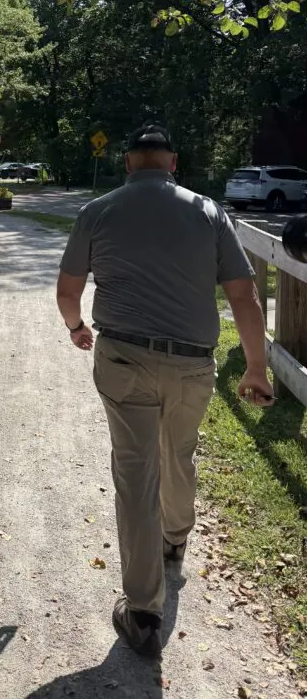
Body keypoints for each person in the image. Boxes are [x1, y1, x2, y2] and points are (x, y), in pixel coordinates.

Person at [56, 124, 273, 658]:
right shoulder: (207, 211)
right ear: (172, 163)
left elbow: (68, 289)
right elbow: (244, 297)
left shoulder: (99, 210)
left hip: (125, 356)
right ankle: (175, 537)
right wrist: (256, 367)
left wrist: (76, 327)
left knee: (135, 473)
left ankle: (144, 611)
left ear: (129, 163)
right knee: (178, 450)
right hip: (193, 363)